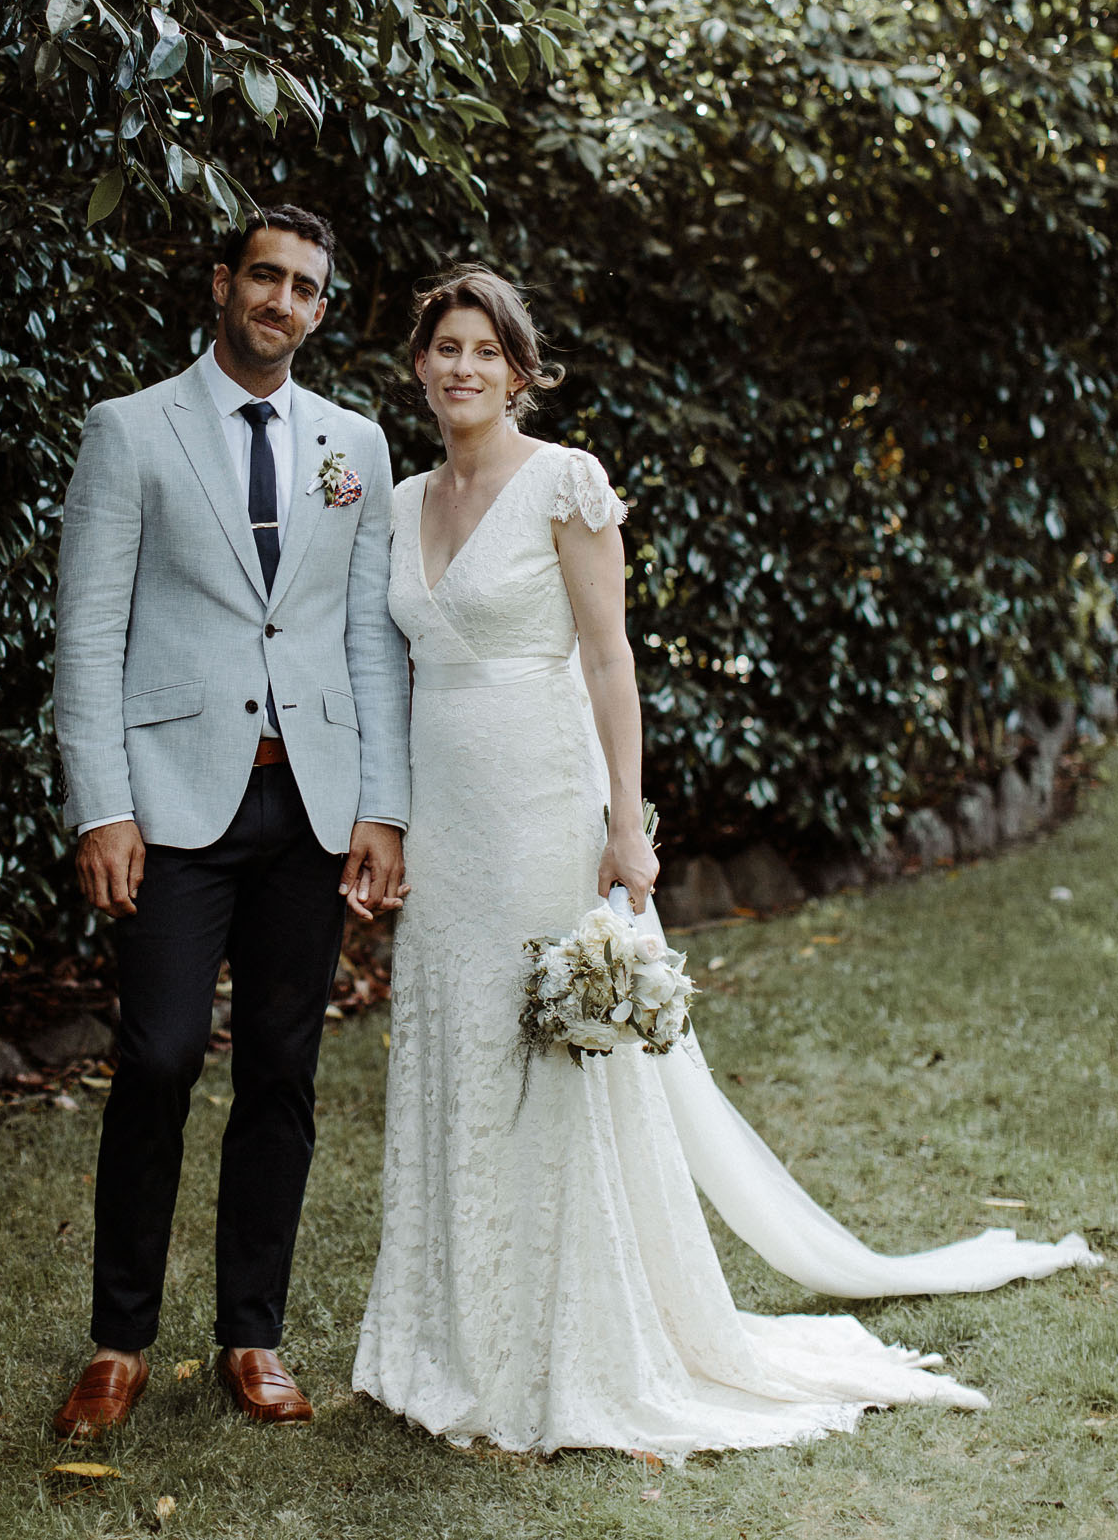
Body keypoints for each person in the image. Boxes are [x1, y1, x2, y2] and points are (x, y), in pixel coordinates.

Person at [353, 265, 1097, 1460]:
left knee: (551, 1061)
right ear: (419, 363)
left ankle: (574, 1350)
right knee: (457, 1049)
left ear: (522, 369)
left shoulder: (565, 484)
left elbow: (610, 662)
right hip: (448, 819)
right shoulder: (397, 502)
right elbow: (388, 671)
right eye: (445, 346)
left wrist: (627, 823)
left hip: (548, 806)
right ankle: (451, 1340)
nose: (462, 369)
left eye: (486, 351)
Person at [52, 205, 410, 1437]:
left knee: (283, 1072)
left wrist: (383, 807)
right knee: (154, 1059)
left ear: (320, 310)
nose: (283, 301)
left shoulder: (353, 443)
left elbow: (366, 634)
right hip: (174, 801)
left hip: (309, 802)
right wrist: (102, 805)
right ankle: (119, 1341)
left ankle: (253, 1336)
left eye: (306, 287)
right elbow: (88, 637)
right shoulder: (130, 430)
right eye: (265, 276)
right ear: (223, 285)